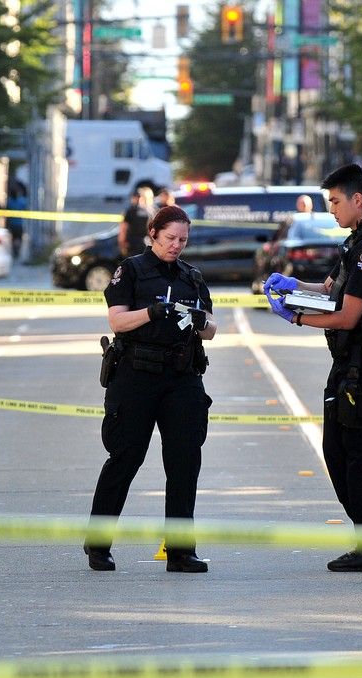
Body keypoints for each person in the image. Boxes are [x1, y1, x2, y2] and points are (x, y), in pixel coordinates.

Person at [263, 163, 362, 573]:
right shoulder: (356, 243)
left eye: (336, 202)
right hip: (348, 364)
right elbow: (329, 290)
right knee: (338, 452)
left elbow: (346, 316)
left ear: (358, 200)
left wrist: (297, 318)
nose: (332, 211)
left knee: (359, 454)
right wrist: (294, 287)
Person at [85, 205, 216, 573]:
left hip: (181, 377)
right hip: (136, 376)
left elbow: (211, 327)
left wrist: (198, 319)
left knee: (184, 461)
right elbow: (117, 319)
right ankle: (98, 544)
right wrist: (153, 313)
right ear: (153, 234)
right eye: (171, 238)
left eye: (183, 240)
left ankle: (180, 550)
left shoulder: (192, 276)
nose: (176, 246)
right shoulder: (132, 270)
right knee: (125, 458)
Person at [118, 188, 153, 257]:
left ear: (134, 198)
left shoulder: (130, 211)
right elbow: (151, 230)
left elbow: (123, 229)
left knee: (133, 265)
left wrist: (121, 243)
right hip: (145, 243)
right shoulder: (149, 211)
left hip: (132, 243)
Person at [5, 189, 27, 262]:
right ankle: (17, 251)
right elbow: (25, 208)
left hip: (13, 224)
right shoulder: (21, 201)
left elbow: (6, 211)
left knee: (14, 239)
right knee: (19, 239)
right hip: (19, 224)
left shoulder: (10, 202)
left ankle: (15, 251)